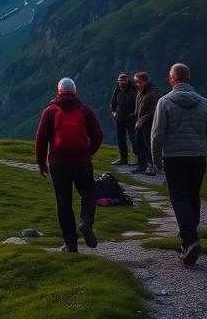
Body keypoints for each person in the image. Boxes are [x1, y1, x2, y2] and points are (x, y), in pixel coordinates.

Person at [151, 63, 207, 266]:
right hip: (198, 157)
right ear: (188, 79)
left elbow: (157, 135)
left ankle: (191, 241)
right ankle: (187, 240)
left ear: (172, 79)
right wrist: (205, 153)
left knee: (179, 198)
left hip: (174, 157)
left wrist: (156, 160)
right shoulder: (204, 103)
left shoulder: (164, 102)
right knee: (193, 196)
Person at [35, 77, 104, 253]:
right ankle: (86, 221)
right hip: (82, 162)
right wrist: (89, 152)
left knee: (64, 202)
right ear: (74, 91)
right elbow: (98, 135)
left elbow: (41, 140)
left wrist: (41, 163)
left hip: (58, 164)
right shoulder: (85, 110)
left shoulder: (49, 111)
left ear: (58, 91)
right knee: (88, 193)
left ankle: (71, 244)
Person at [133, 72, 160, 175]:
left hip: (149, 124)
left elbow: (155, 110)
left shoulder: (153, 93)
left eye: (137, 82)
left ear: (144, 81)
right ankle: (141, 166)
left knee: (148, 144)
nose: (136, 84)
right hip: (139, 123)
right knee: (140, 144)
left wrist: (143, 119)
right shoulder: (141, 92)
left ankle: (151, 166)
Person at [109, 72, 137, 165]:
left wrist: (135, 113)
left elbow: (139, 102)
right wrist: (113, 113)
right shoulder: (117, 89)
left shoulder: (134, 89)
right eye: (120, 81)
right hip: (119, 118)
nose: (122, 83)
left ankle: (138, 157)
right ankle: (123, 158)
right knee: (121, 139)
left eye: (123, 81)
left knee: (133, 137)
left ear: (127, 80)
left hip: (131, 118)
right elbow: (113, 103)